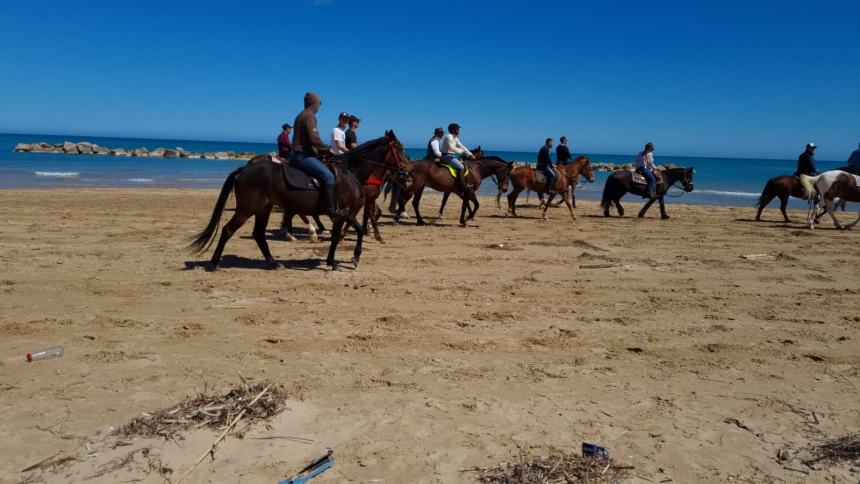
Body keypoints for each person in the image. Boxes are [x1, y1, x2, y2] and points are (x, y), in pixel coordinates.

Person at [291, 92, 347, 218]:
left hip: (296, 153)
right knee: (328, 176)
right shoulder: (309, 116)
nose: (318, 108)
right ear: (314, 103)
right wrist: (327, 149)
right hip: (303, 156)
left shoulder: (300, 115)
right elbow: (314, 139)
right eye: (318, 104)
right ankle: (331, 209)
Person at [441, 123, 474, 192]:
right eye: (457, 129)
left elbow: (462, 146)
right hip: (446, 156)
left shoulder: (455, 137)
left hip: (451, 156)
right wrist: (461, 151)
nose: (459, 130)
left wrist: (470, 154)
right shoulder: (449, 137)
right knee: (461, 167)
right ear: (453, 130)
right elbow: (452, 148)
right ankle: (462, 185)